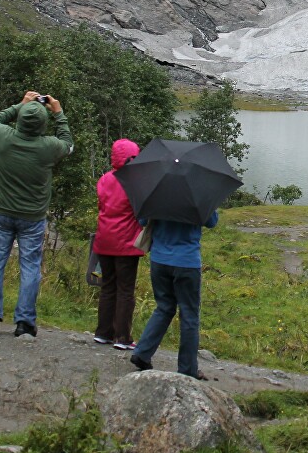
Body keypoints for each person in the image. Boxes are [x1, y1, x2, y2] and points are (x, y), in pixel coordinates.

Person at [0, 91, 73, 338]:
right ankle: (24, 322)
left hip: (0, 211)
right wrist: (59, 112)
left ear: (20, 120)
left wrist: (19, 105)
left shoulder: (3, 137)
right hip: (32, 215)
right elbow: (68, 143)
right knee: (30, 266)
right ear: (43, 123)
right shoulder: (49, 147)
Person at [130, 210, 219, 378]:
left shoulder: (159, 192)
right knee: (189, 315)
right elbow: (212, 221)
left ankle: (142, 353)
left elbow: (142, 220)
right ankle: (188, 369)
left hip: (159, 260)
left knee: (164, 307)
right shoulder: (197, 195)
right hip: (187, 261)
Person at [93, 139, 144, 350]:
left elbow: (101, 205)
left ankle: (103, 333)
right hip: (126, 243)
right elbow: (140, 212)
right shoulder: (136, 182)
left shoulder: (105, 179)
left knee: (107, 287)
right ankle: (122, 337)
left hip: (104, 239)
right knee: (125, 290)